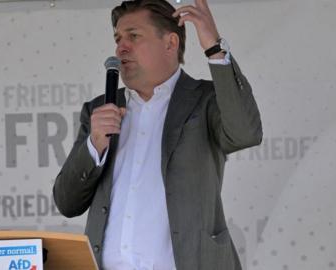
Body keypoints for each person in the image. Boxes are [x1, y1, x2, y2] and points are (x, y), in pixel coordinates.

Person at [53, 0, 262, 269]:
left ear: (170, 43)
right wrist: (94, 145)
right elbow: (67, 203)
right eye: (118, 38)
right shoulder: (100, 110)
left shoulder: (205, 100)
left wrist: (214, 48)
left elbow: (246, 133)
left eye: (134, 36)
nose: (121, 47)